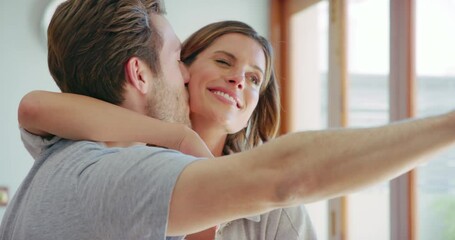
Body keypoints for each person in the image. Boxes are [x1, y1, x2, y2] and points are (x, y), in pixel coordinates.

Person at [2, 0, 455, 239]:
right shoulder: (118, 172)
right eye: (216, 61)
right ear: (143, 73)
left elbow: (34, 110)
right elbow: (285, 176)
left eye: (255, 78)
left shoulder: (70, 149)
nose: (240, 81)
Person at [15, 20, 317, 240]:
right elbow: (36, 107)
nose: (239, 79)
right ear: (183, 70)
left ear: (253, 109)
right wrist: (178, 137)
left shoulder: (274, 209)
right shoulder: (120, 158)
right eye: (224, 61)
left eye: (254, 79)